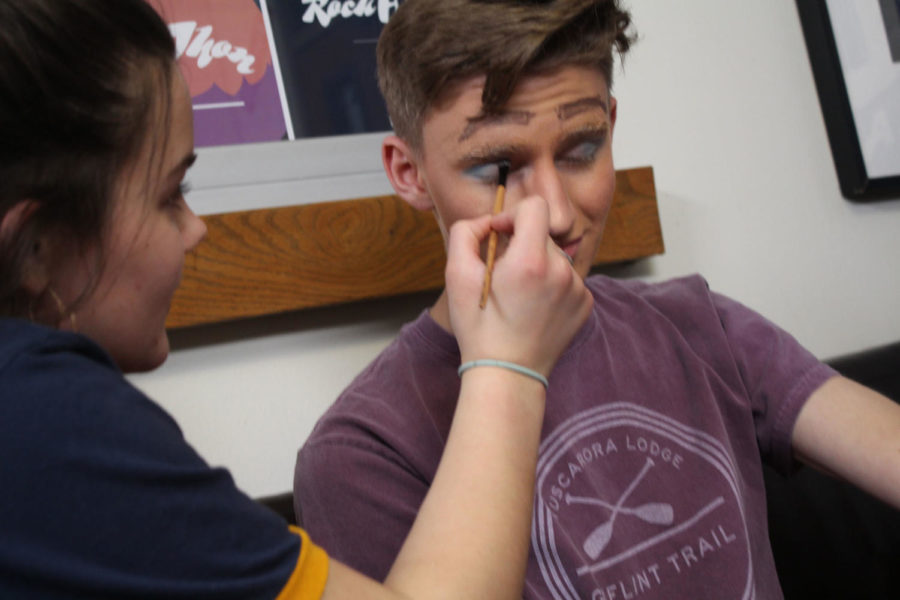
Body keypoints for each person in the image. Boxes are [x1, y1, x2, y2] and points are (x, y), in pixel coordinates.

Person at [293, 1, 900, 598]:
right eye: (498, 167)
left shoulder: (695, 323)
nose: (556, 214)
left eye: (583, 148)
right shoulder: (360, 454)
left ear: (611, 122)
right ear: (409, 172)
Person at [0, 0, 592, 598]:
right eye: (170, 194)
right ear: (39, 248)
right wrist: (507, 365)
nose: (195, 229)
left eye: (583, 148)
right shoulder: (51, 427)